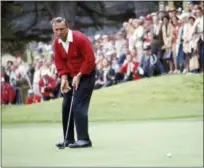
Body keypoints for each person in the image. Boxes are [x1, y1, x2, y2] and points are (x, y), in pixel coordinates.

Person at [51, 17, 95, 148]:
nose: (59, 32)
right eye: (56, 30)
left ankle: (84, 139)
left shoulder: (79, 39)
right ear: (53, 30)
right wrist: (63, 78)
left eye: (61, 29)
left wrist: (80, 75)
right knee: (66, 106)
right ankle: (68, 139)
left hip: (87, 75)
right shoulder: (56, 43)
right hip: (70, 76)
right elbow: (59, 62)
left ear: (67, 27)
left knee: (78, 105)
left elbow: (90, 60)